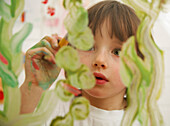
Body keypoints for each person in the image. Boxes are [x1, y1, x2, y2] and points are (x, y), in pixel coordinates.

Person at [20, 0, 141, 125]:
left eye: (117, 52)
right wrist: (34, 85)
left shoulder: (142, 121)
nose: (99, 60)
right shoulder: (53, 104)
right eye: (88, 47)